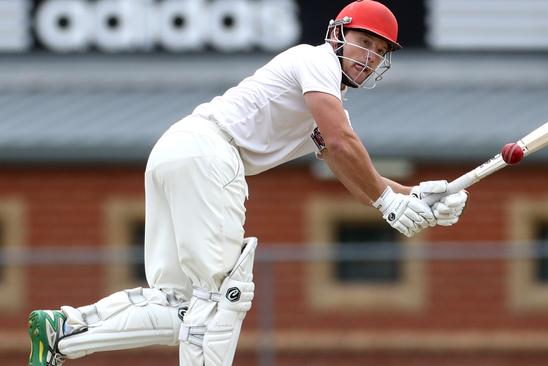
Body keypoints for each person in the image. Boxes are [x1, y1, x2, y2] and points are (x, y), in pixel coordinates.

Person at [27, 1, 468, 365]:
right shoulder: (314, 61)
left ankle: (64, 331)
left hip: (179, 149)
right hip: (210, 154)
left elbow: (344, 160)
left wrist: (419, 196)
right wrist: (388, 200)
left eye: (379, 50)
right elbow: (341, 141)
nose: (368, 56)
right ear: (338, 35)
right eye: (363, 42)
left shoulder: (327, 104)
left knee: (183, 303)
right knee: (224, 297)